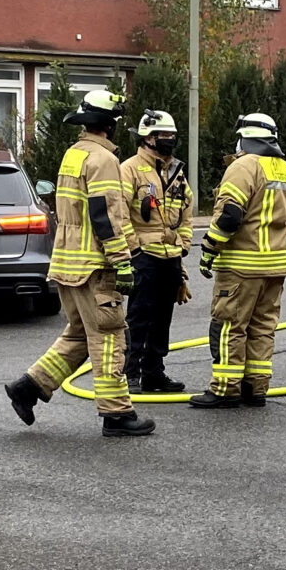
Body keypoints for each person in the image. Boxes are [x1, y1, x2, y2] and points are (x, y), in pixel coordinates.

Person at [4, 89, 152, 438]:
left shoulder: (74, 154)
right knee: (110, 337)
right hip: (94, 267)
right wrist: (123, 260)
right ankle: (117, 415)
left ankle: (29, 387)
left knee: (81, 335)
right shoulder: (104, 160)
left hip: (69, 264)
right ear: (109, 124)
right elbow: (105, 215)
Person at [190, 111, 286, 410]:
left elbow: (230, 215)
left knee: (229, 326)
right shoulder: (285, 170)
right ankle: (256, 388)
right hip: (276, 266)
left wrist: (210, 247)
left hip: (241, 266)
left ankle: (225, 389)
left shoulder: (244, 166)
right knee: (263, 327)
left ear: (245, 138)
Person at [120, 108, 193, 394]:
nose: (169, 140)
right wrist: (134, 250)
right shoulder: (130, 169)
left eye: (172, 135)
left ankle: (154, 373)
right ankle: (131, 374)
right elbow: (121, 214)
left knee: (162, 318)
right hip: (144, 257)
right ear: (147, 137)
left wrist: (183, 245)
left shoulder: (176, 172)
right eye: (164, 135)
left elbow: (186, 213)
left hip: (171, 258)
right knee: (139, 317)